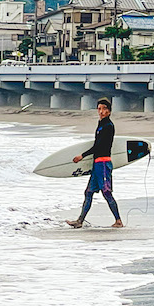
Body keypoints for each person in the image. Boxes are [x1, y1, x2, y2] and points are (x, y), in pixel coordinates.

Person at [67, 97, 123, 228]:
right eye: (99, 109)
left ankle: (118, 221)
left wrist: (82, 155)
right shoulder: (101, 124)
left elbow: (99, 146)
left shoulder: (108, 126)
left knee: (107, 192)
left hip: (103, 164)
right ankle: (80, 221)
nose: (101, 111)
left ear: (109, 111)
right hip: (97, 164)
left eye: (104, 109)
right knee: (88, 192)